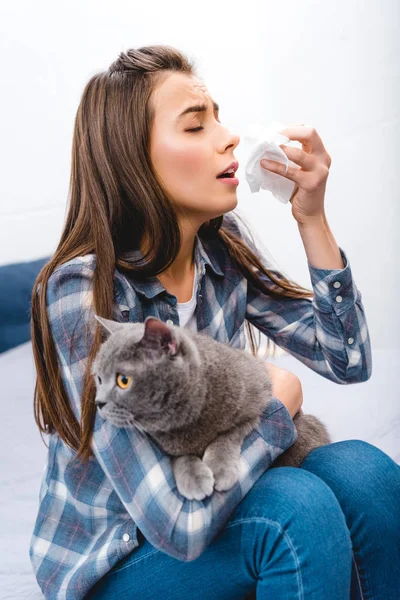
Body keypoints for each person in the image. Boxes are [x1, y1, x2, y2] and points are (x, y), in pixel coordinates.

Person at [28, 45, 400, 600]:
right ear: (133, 159)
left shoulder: (222, 250)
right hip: (119, 560)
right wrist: (277, 405)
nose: (227, 136)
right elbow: (178, 524)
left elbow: (348, 360)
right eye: (197, 125)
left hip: (217, 503)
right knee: (293, 506)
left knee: (366, 474)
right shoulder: (81, 291)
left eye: (219, 118)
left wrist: (312, 216)